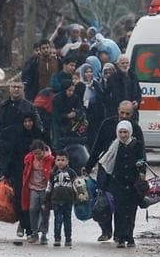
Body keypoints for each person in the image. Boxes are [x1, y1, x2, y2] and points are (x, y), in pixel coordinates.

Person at [86, 101, 143, 241]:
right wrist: (88, 165)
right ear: (118, 110)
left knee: (125, 206)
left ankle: (123, 234)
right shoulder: (107, 124)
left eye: (127, 114)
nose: (124, 116)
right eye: (122, 112)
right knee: (103, 201)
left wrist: (141, 172)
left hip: (127, 173)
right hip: (107, 168)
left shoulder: (134, 128)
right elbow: (97, 145)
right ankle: (106, 230)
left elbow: (141, 153)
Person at [98, 120, 145, 249]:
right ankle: (119, 237)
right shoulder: (114, 146)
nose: (123, 135)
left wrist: (141, 173)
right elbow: (107, 164)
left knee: (131, 211)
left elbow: (142, 159)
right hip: (117, 183)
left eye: (125, 132)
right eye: (121, 132)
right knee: (118, 211)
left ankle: (129, 236)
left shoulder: (136, 144)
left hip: (132, 183)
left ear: (129, 132)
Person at [4, 113, 50, 238]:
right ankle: (25, 225)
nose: (28, 124)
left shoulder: (40, 135)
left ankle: (33, 228)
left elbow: (50, 153)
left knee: (36, 203)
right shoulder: (18, 136)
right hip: (20, 173)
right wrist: (6, 173)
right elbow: (12, 155)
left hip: (37, 174)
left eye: (30, 121)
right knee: (21, 200)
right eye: (25, 121)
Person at [21, 140, 54, 245]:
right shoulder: (29, 159)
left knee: (45, 212)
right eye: (35, 153)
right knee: (32, 209)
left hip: (45, 189)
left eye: (39, 153)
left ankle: (44, 234)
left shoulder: (50, 160)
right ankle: (34, 232)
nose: (37, 156)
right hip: (33, 188)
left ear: (44, 151)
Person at [45, 150, 77, 247]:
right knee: (57, 219)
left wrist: (78, 195)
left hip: (68, 200)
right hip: (56, 200)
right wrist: (46, 199)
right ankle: (57, 238)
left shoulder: (71, 173)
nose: (60, 162)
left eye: (63, 160)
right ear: (55, 161)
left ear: (67, 161)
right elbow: (49, 186)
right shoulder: (53, 173)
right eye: (58, 160)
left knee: (67, 220)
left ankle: (68, 238)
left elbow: (76, 185)